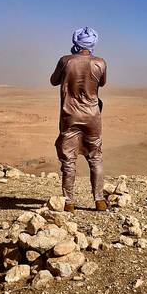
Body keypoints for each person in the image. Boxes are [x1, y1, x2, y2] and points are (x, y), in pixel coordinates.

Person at [50, 26, 107, 214]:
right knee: (95, 157)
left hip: (70, 115)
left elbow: (53, 80)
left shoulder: (65, 61)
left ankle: (69, 203)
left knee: (68, 160)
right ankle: (99, 201)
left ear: (75, 41)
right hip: (92, 116)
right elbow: (102, 82)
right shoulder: (100, 63)